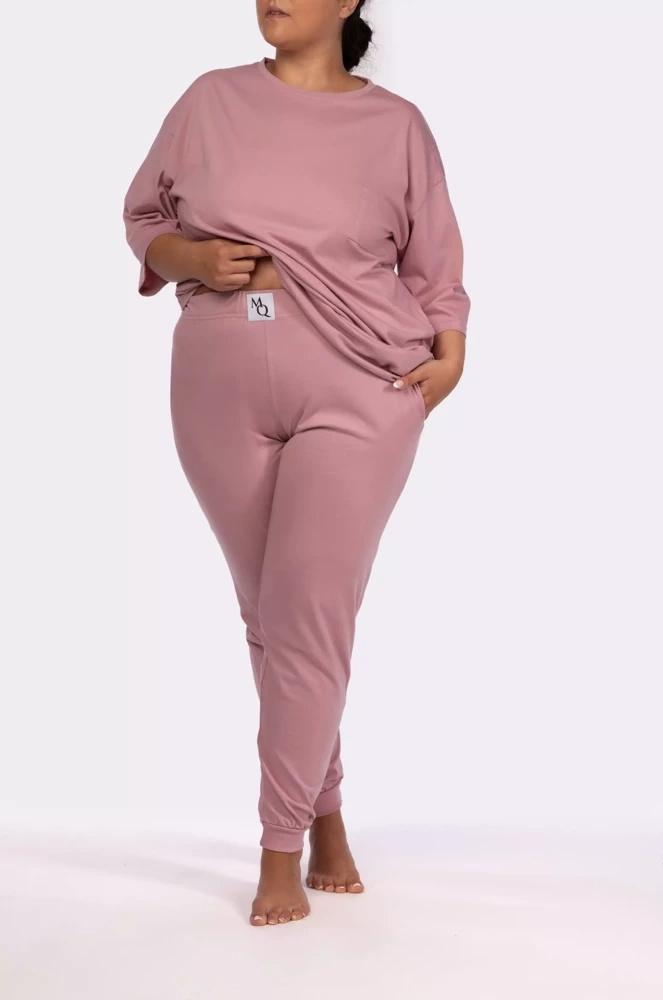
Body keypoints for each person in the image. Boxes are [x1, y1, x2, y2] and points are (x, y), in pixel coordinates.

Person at [122, 0, 471, 928]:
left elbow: (435, 263)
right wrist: (190, 255)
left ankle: (278, 848)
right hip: (218, 378)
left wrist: (450, 352)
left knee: (308, 615)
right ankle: (326, 816)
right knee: (269, 618)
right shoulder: (209, 99)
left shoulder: (394, 125)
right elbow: (144, 215)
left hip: (359, 380)